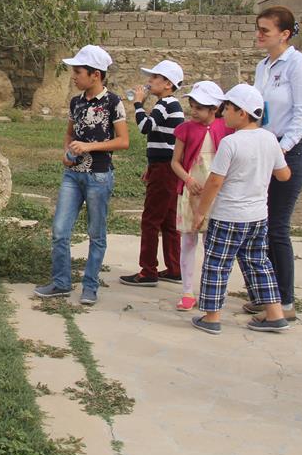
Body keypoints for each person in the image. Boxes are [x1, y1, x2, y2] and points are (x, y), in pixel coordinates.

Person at [190, 84, 292, 335]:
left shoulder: (230, 143)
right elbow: (284, 174)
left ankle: (212, 317)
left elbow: (215, 181)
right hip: (258, 216)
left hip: (228, 216)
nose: (223, 113)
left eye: (227, 108)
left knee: (217, 264)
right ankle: (275, 314)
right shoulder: (269, 138)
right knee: (260, 263)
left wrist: (201, 212)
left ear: (242, 113)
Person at [34, 45, 129, 305]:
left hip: (99, 177)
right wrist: (66, 151)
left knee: (96, 234)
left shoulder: (113, 102)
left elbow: (123, 141)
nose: (74, 77)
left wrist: (89, 147)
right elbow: (69, 133)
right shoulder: (76, 102)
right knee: (59, 231)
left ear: (95, 74)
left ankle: (90, 286)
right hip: (72, 176)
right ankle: (62, 282)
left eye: (78, 72)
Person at [249, 6, 302, 322]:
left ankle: (285, 302)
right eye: (258, 29)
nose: (259, 35)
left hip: (289, 153)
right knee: (260, 228)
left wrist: (279, 151)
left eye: (266, 30)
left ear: (285, 34)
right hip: (264, 150)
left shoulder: (299, 66)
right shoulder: (263, 66)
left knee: (277, 227)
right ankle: (267, 295)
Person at [120, 60, 185, 287]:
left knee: (150, 220)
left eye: (155, 78)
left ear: (168, 84)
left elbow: (145, 127)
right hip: (167, 166)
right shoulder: (172, 104)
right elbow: (165, 140)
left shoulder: (164, 104)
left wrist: (138, 104)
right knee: (168, 220)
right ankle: (175, 268)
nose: (149, 82)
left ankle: (148, 271)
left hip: (164, 169)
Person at [169, 81, 231, 310]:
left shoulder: (226, 129)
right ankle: (187, 290)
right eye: (192, 105)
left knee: (212, 242)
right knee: (188, 241)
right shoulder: (185, 129)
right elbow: (175, 161)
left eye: (200, 107)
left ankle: (209, 289)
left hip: (215, 192)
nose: (193, 111)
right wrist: (188, 179)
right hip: (191, 191)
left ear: (215, 109)